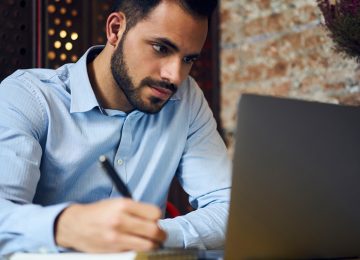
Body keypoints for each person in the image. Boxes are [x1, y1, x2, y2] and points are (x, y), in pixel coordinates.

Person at [0, 0, 231, 255]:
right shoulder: (28, 97)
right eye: (161, 48)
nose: (175, 76)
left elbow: (228, 207)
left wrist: (151, 235)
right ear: (116, 29)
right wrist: (64, 225)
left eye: (188, 59)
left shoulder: (185, 100)